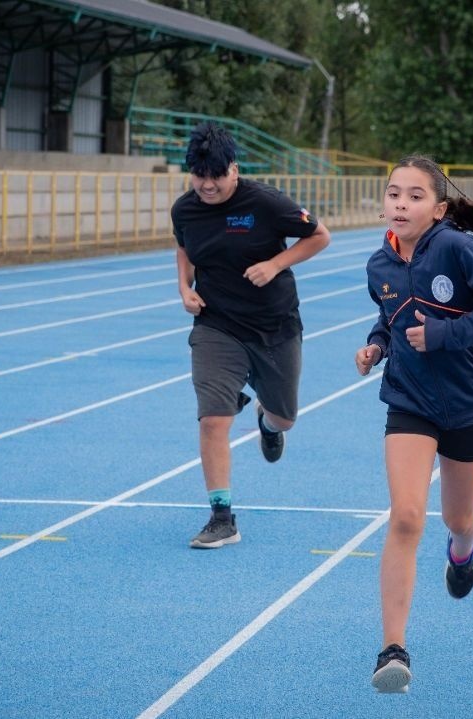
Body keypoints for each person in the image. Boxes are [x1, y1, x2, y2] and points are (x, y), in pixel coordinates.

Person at [354, 155, 473, 694]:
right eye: (393, 194)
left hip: (468, 402)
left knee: (458, 515)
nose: (401, 204)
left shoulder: (456, 247)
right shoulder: (377, 265)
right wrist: (378, 345)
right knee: (406, 517)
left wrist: (446, 335)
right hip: (409, 400)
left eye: (414, 196)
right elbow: (392, 315)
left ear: (439, 208)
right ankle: (392, 650)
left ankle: (465, 546)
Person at [171, 122, 331, 549]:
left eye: (216, 177)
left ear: (234, 170)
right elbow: (184, 247)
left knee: (285, 416)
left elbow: (319, 236)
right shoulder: (185, 209)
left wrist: (275, 264)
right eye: (199, 176)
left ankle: (266, 420)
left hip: (274, 325)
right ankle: (222, 516)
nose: (207, 185)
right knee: (212, 418)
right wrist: (185, 289)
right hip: (216, 324)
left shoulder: (265, 202)